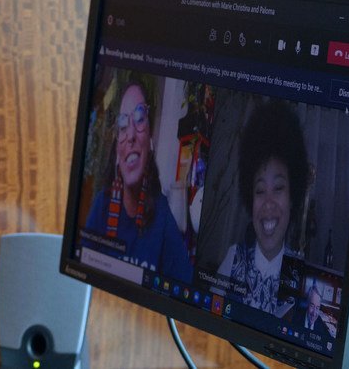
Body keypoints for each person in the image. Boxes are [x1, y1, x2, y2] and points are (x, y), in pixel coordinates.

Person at [84, 78, 193, 282]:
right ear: (118, 147)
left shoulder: (161, 213)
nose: (131, 134)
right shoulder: (102, 205)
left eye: (140, 116)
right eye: (123, 124)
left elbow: (185, 285)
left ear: (150, 141)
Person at [217, 99, 309, 316]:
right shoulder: (233, 259)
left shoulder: (298, 275)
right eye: (260, 190)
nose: (268, 203)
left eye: (278, 188)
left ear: (293, 196)